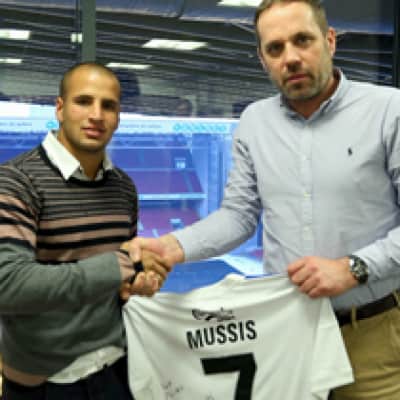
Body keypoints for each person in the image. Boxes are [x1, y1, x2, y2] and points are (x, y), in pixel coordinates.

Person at [127, 1, 400, 399]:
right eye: (275, 48)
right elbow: (239, 216)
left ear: (329, 41)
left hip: (371, 335)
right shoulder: (255, 122)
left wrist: (354, 268)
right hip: (286, 333)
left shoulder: (389, 110)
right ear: (262, 59)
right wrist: (170, 246)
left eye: (303, 40)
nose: (290, 57)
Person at [0, 62, 169, 400]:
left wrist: (138, 281)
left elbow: (116, 282)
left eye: (109, 106)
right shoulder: (16, 181)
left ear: (118, 117)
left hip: (117, 370)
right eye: (83, 101)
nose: (97, 115)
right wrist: (123, 264)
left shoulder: (124, 188)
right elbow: (9, 285)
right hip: (45, 382)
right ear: (60, 109)